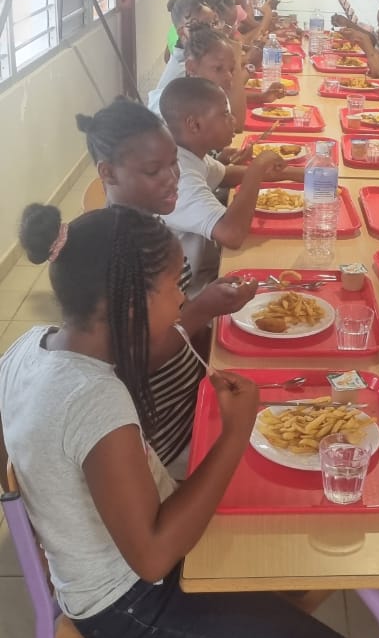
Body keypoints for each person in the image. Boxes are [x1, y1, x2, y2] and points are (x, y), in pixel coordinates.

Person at [0, 204, 368, 638]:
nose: (183, 299)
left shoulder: (33, 347)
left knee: (314, 551)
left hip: (104, 568)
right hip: (127, 603)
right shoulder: (93, 400)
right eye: (176, 286)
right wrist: (233, 435)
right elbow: (152, 556)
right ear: (126, 304)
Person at [76, 99, 258, 475]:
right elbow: (131, 362)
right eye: (153, 170)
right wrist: (203, 309)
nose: (173, 177)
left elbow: (170, 316)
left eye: (174, 162)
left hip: (194, 393)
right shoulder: (117, 256)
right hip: (167, 438)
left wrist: (204, 308)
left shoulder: (150, 228)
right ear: (108, 173)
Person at [159, 77, 298, 295]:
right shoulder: (179, 176)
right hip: (184, 296)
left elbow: (227, 174)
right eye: (224, 114)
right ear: (194, 124)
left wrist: (305, 174)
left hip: (202, 271)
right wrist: (257, 168)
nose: (233, 120)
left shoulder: (189, 154)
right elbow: (232, 235)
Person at [157, 0, 221, 80]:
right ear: (182, 33)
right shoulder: (187, 72)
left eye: (214, 23)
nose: (215, 31)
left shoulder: (198, 53)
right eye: (204, 28)